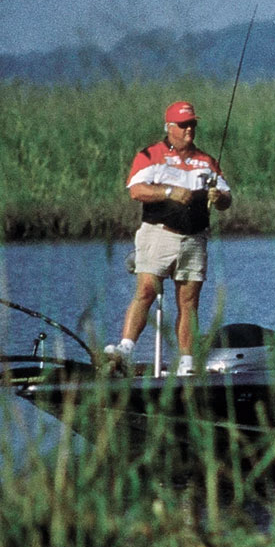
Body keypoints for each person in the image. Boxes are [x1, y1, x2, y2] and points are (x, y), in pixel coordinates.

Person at [105, 101, 232, 374]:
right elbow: (136, 190)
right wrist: (168, 192)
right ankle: (125, 349)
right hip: (159, 233)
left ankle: (187, 363)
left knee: (188, 302)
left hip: (195, 238)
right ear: (169, 127)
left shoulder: (207, 161)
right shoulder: (151, 154)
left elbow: (226, 200)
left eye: (192, 125)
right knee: (146, 291)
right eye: (183, 125)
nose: (189, 131)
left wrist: (219, 197)